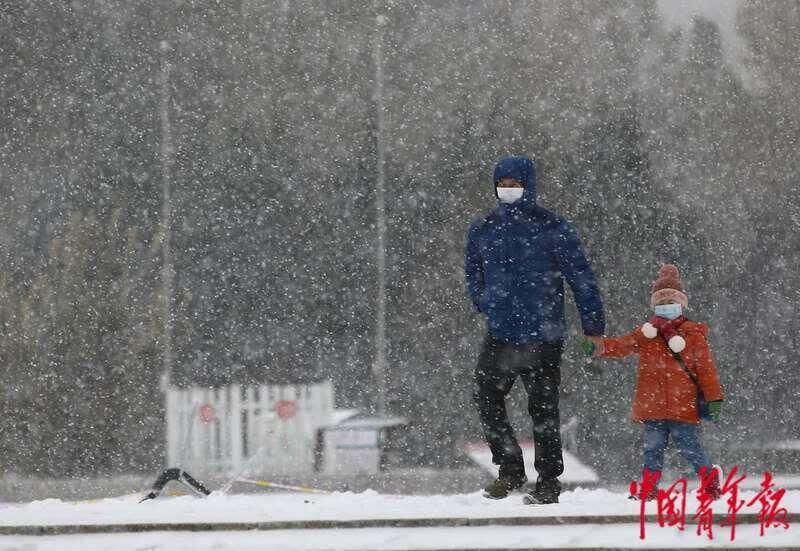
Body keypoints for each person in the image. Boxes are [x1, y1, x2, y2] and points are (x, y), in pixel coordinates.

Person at [465, 155, 605, 503]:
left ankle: (548, 482)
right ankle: (510, 469)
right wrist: (483, 299)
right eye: (503, 184)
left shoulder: (552, 227)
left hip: (544, 334)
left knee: (543, 410)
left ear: (529, 185)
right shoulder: (483, 228)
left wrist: (593, 326)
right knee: (486, 396)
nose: (508, 190)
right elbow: (472, 269)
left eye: (515, 184)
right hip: (501, 332)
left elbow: (581, 277)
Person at [582, 264, 724, 501]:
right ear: (654, 306)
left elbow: (707, 371)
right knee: (652, 449)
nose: (667, 307)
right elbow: (622, 345)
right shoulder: (646, 334)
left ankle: (710, 482)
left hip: (682, 406)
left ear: (682, 304)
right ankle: (649, 488)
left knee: (690, 448)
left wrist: (714, 398)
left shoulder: (693, 335)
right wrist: (599, 347)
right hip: (653, 406)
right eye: (662, 303)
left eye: (671, 302)